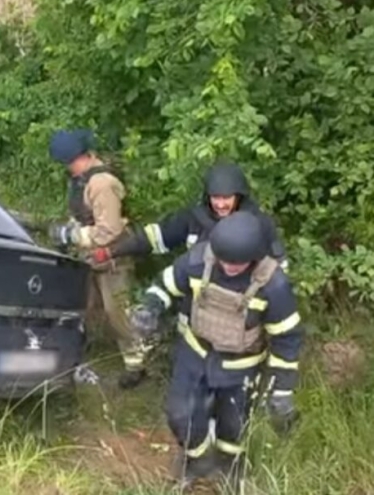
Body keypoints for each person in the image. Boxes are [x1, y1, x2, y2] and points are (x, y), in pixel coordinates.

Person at [129, 211, 303, 490]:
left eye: (238, 262)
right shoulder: (199, 260)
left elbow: (287, 338)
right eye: (225, 259)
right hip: (195, 354)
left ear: (256, 255)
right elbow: (166, 285)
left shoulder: (274, 285)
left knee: (234, 425)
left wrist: (282, 391)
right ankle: (197, 460)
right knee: (180, 414)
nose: (230, 267)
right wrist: (150, 307)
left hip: (242, 366)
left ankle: (229, 465)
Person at [47, 128, 149, 390]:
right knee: (83, 306)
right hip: (90, 256)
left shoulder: (102, 183)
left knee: (118, 314)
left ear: (81, 156)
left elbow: (109, 230)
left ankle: (136, 366)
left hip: (114, 258)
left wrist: (72, 235)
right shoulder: (81, 179)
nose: (67, 169)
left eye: (69, 163)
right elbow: (83, 215)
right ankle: (75, 354)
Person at [102, 161, 288, 270]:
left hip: (239, 310)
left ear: (239, 195)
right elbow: (154, 237)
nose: (221, 204)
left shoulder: (258, 224)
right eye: (215, 197)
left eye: (226, 198)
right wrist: (112, 251)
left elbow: (279, 270)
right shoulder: (194, 218)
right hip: (198, 304)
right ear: (207, 195)